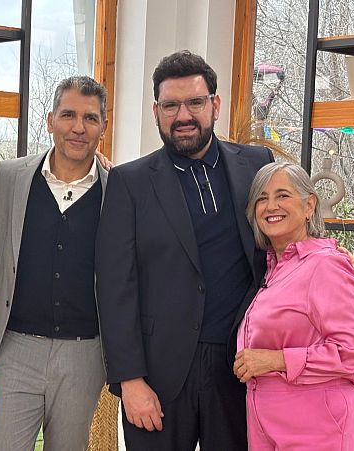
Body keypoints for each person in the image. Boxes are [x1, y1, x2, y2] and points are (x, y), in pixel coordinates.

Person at [94, 50, 274, 449]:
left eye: (194, 102)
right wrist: (130, 380)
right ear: (156, 111)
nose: (183, 116)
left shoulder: (258, 164)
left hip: (240, 366)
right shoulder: (130, 182)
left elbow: (283, 246)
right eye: (171, 106)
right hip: (159, 375)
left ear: (215, 104)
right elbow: (114, 286)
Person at [0, 75, 109, 451]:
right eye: (68, 115)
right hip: (16, 348)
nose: (78, 128)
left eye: (90, 118)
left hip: (87, 354)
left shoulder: (117, 189)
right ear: (50, 120)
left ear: (103, 126)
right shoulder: (12, 177)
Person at [234, 162, 354, 451]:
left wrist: (274, 360)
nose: (271, 206)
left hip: (317, 423)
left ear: (309, 205)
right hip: (266, 424)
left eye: (282, 195)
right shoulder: (271, 268)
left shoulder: (326, 265)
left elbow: (352, 351)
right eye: (262, 197)